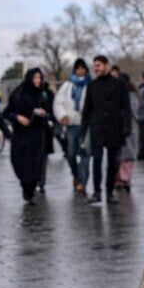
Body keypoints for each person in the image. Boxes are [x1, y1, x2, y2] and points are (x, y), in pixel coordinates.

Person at [81, 56, 132, 204]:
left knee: (112, 161)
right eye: (94, 66)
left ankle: (109, 192)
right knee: (96, 160)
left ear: (106, 66)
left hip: (114, 128)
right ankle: (97, 191)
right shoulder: (92, 85)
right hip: (97, 128)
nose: (96, 68)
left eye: (99, 65)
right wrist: (84, 131)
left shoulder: (119, 84)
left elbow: (126, 108)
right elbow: (87, 110)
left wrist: (126, 127)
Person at [5, 68, 52, 205]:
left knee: (35, 165)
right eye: (35, 78)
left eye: (40, 78)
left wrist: (43, 113)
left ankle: (30, 191)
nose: (37, 81)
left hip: (37, 135)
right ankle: (25, 185)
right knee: (19, 163)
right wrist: (18, 117)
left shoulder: (43, 94)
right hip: (20, 135)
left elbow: (50, 114)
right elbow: (7, 113)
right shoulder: (18, 94)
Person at [53, 57, 91, 193]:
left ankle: (82, 180)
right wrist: (62, 115)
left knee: (86, 154)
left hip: (86, 125)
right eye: (78, 68)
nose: (80, 70)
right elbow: (58, 102)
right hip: (71, 125)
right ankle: (76, 175)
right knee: (70, 153)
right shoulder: (67, 86)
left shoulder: (90, 84)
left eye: (83, 68)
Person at [116, 72, 139, 192]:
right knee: (120, 155)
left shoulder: (131, 95)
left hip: (129, 128)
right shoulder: (131, 95)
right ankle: (121, 179)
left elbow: (133, 111)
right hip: (121, 128)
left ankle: (124, 179)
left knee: (127, 155)